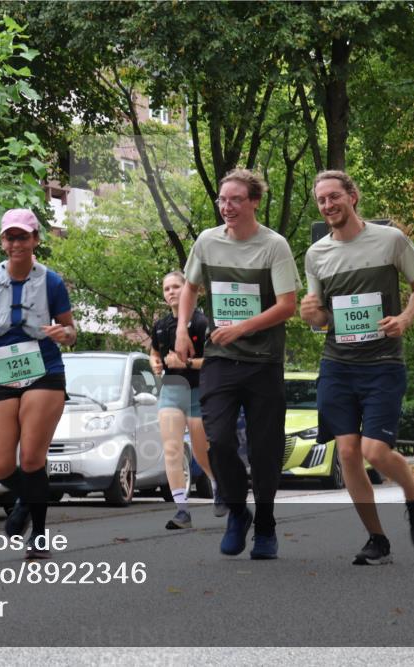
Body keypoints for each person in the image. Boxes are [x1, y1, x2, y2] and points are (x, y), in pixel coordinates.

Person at [300, 170, 414, 566]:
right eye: (321, 200)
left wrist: (405, 319)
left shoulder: (390, 239)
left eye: (334, 197)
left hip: (383, 364)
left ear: (353, 196)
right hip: (338, 364)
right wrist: (311, 314)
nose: (327, 206)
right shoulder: (316, 254)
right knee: (347, 452)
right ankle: (377, 539)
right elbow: (320, 319)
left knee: (376, 450)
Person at [175, 169, 300, 560]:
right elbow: (190, 287)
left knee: (264, 451)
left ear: (254, 202)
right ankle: (236, 511)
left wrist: (241, 328)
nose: (227, 207)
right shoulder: (207, 242)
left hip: (263, 362)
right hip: (221, 360)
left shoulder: (274, 246)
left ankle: (265, 525)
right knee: (220, 440)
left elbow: (287, 306)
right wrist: (182, 329)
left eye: (235, 200)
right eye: (222, 201)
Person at [0, 209, 76, 560]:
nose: (16, 243)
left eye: (23, 237)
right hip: (1, 371)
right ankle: (28, 501)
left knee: (31, 459)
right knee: (0, 465)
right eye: (9, 237)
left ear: (35, 240)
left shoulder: (52, 282)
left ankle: (39, 534)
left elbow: (72, 332)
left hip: (43, 368)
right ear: (2, 241)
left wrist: (64, 333)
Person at [149, 271, 223, 530]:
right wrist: (156, 362)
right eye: (166, 288)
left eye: (176, 287)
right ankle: (182, 510)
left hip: (198, 391)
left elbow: (215, 361)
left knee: (202, 451)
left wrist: (186, 362)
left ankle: (217, 485)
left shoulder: (203, 323)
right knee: (171, 450)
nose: (171, 292)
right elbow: (154, 351)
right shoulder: (160, 325)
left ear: (188, 289)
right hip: (171, 391)